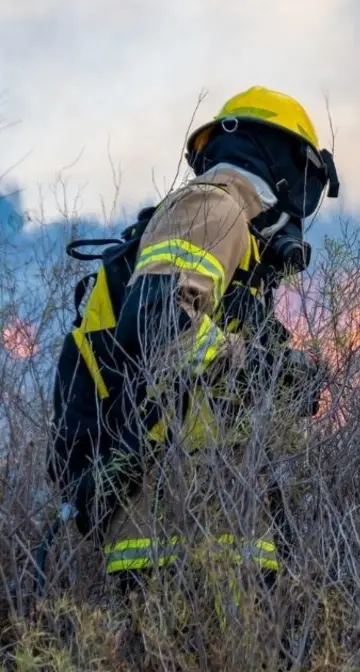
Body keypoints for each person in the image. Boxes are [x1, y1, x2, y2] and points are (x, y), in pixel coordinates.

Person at [46, 86, 338, 592]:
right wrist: (260, 367)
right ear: (291, 166)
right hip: (173, 525)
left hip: (213, 518)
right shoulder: (211, 206)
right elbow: (159, 324)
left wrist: (283, 374)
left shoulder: (239, 242)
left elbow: (208, 361)